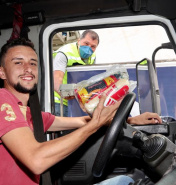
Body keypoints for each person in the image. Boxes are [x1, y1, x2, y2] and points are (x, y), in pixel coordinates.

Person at [0, 38, 162, 185]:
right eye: (18, 63)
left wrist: (129, 121)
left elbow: (83, 121)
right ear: (2, 72)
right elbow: (36, 160)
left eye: (33, 63)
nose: (28, 68)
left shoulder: (30, 114)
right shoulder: (2, 99)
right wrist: (94, 125)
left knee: (126, 180)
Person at [53, 30, 99, 116]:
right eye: (86, 43)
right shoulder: (65, 53)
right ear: (78, 41)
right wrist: (65, 94)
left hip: (76, 100)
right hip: (59, 101)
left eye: (93, 46)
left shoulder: (93, 56)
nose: (89, 48)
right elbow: (57, 79)